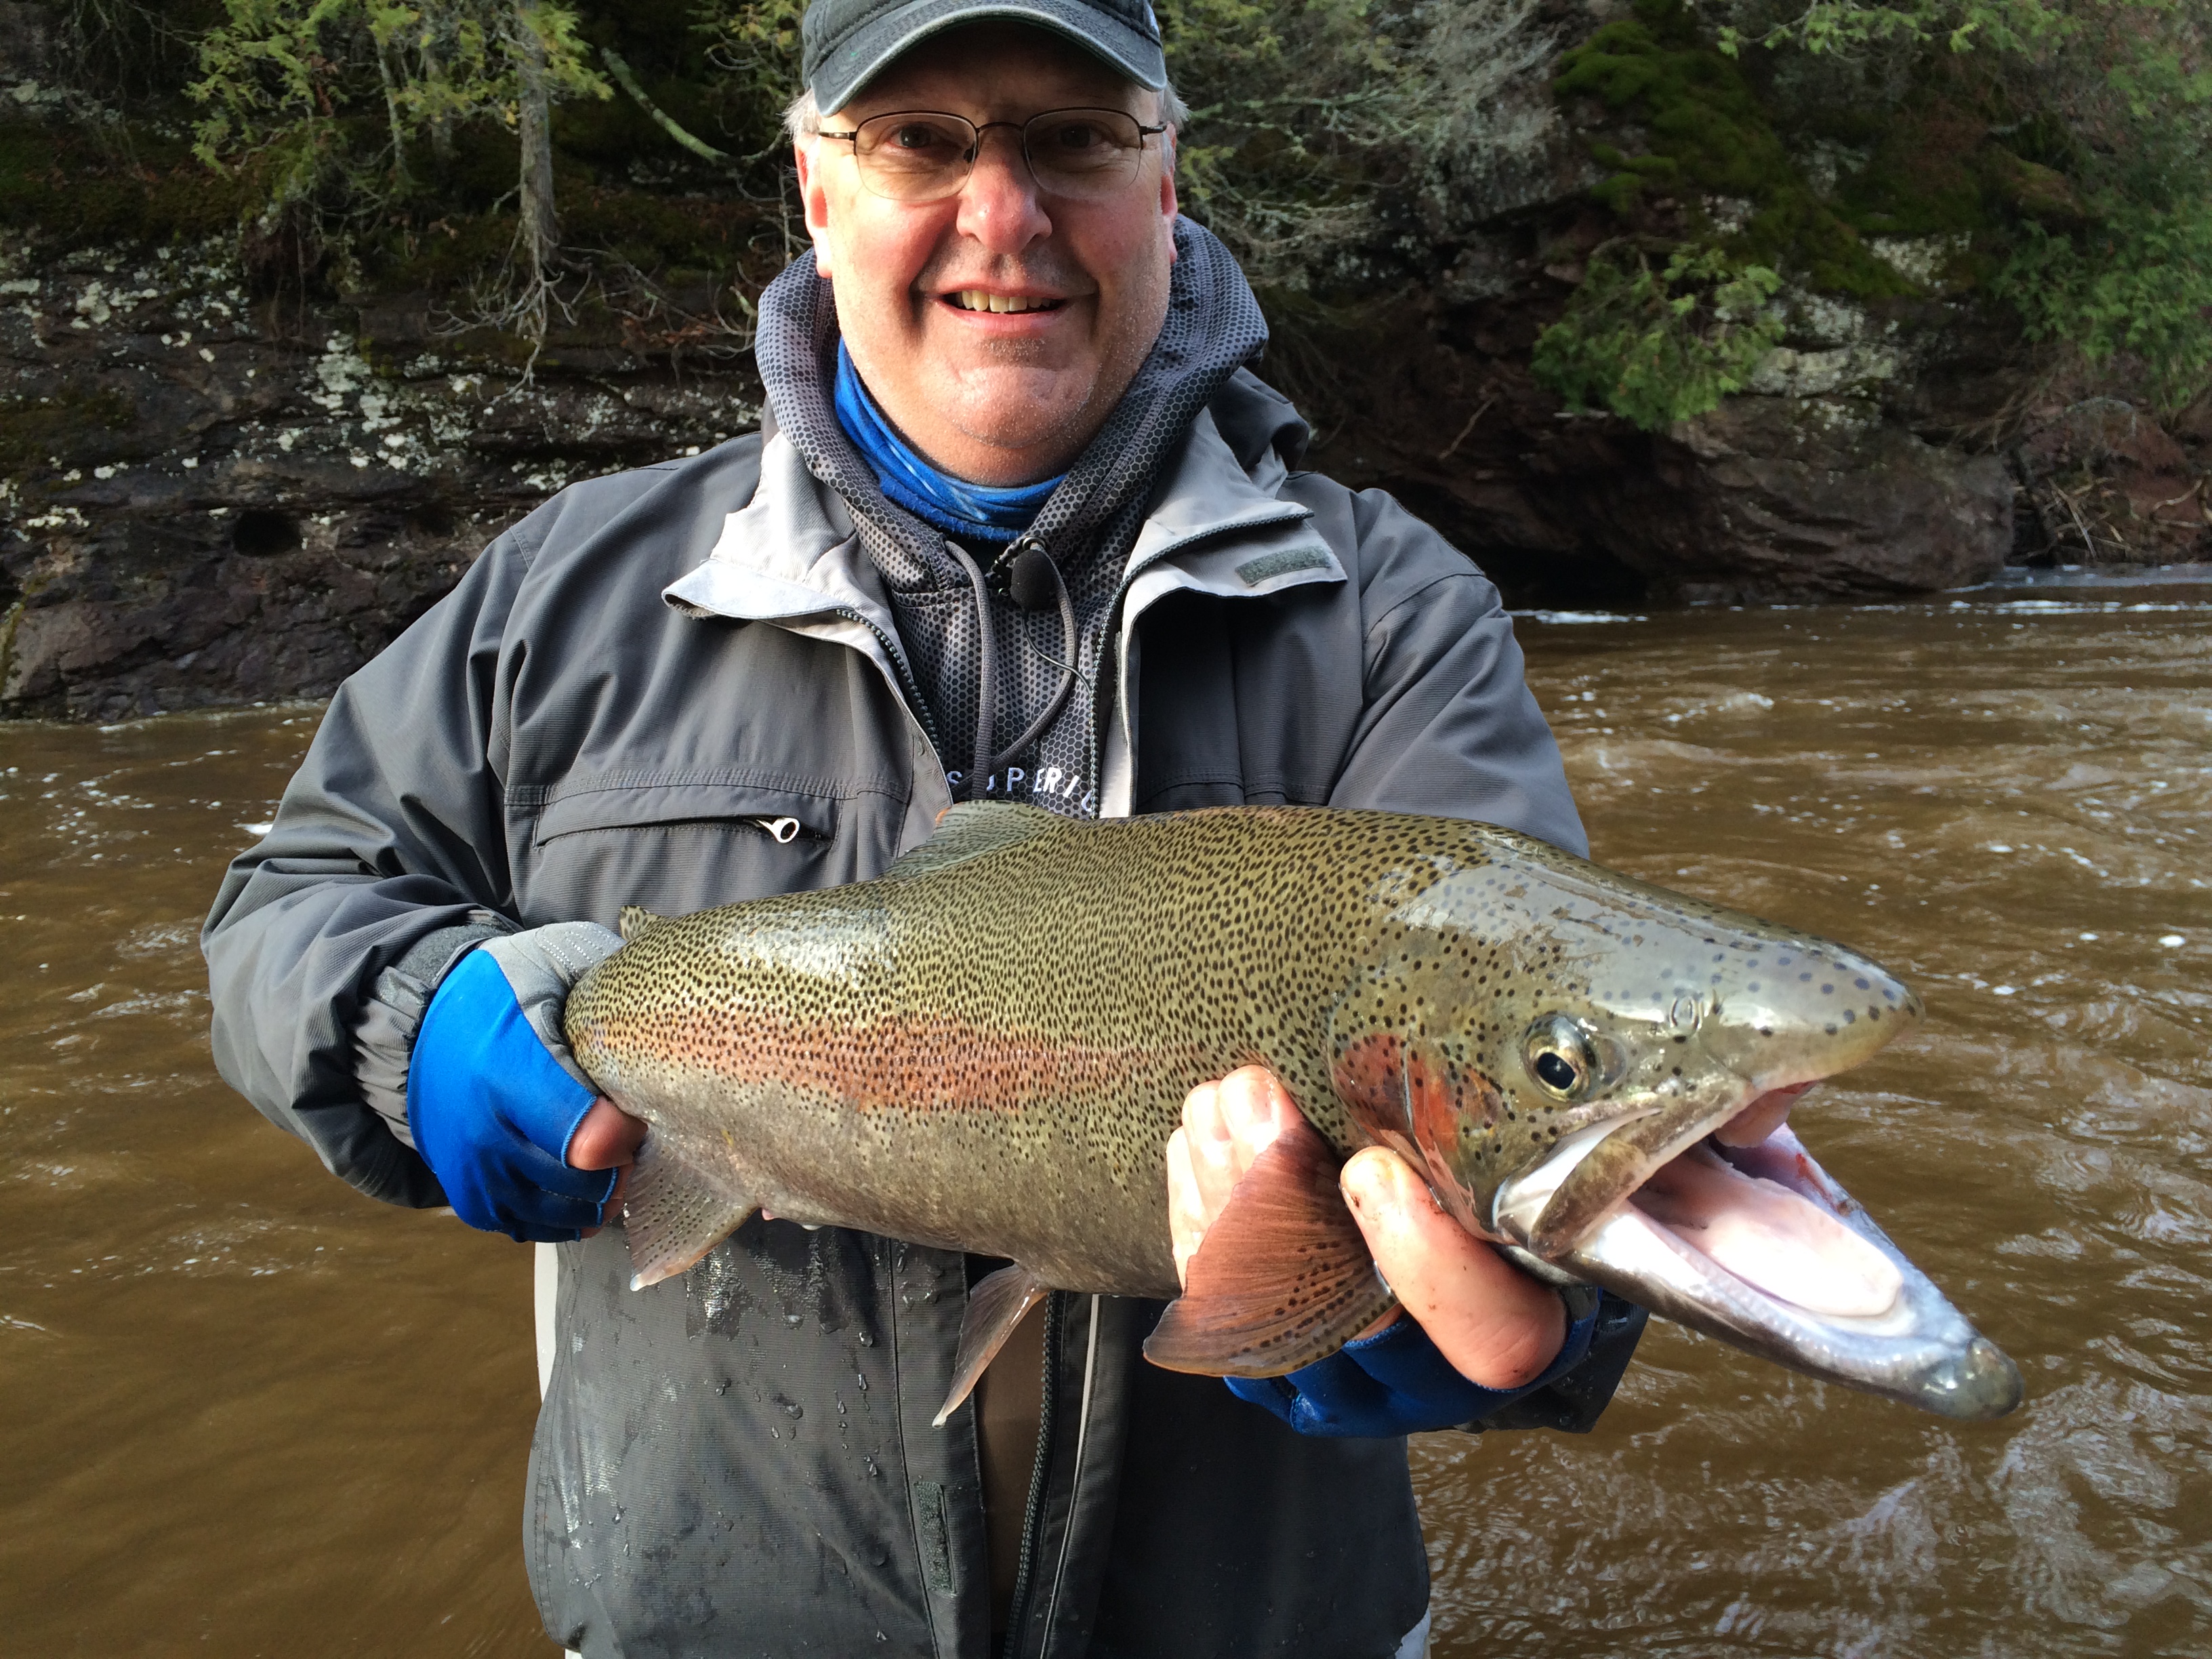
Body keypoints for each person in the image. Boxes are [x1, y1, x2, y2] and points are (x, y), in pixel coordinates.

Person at [202, 3, 1647, 1654]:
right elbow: (293, 896)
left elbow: (1558, 1057)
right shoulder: (564, 596)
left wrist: (1526, 1303)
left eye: (1072, 140)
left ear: (1167, 180)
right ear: (819, 190)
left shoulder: (1388, 614)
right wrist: (408, 1022)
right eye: (924, 142)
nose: (1005, 216)